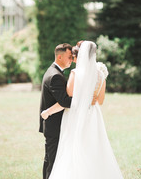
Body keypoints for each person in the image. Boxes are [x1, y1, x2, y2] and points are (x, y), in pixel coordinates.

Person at [41, 41, 124, 179]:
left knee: (73, 148)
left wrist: (47, 112)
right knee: (93, 147)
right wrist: (89, 98)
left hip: (76, 116)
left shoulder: (75, 73)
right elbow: (100, 101)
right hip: (93, 115)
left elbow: (67, 102)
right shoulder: (100, 75)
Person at [39, 43, 73, 179]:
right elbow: (64, 101)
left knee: (49, 160)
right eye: (69, 57)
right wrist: (83, 98)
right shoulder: (55, 76)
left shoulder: (53, 71)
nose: (71, 59)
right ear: (60, 56)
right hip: (54, 126)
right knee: (52, 162)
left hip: (52, 125)